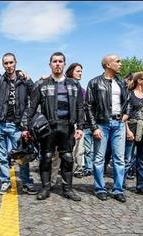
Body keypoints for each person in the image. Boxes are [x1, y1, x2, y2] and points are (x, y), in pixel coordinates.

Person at [26, 52, 84, 201]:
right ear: (50, 64)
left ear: (64, 64)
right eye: (54, 61)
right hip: (48, 128)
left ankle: (68, 189)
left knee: (68, 158)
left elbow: (79, 108)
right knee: (46, 157)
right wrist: (27, 128)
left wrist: (80, 127)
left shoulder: (74, 84)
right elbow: (32, 108)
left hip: (67, 127)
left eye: (60, 61)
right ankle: (45, 188)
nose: (57, 64)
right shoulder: (42, 85)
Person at [0, 52, 38, 195]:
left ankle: (27, 182)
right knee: (1, 157)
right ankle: (5, 181)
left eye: (11, 62)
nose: (9, 65)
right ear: (3, 64)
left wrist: (29, 79)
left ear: (15, 62)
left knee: (22, 156)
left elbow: (35, 94)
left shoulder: (23, 79)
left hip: (17, 125)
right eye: (6, 63)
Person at [85, 54, 129, 203]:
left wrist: (126, 115)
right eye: (118, 61)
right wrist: (94, 127)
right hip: (102, 124)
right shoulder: (94, 82)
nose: (120, 63)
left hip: (119, 124)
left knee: (119, 159)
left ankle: (118, 190)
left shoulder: (122, 82)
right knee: (98, 158)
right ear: (108, 65)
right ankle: (100, 188)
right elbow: (88, 106)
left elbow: (127, 101)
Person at [123, 72, 143, 197]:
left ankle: (142, 186)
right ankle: (119, 184)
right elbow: (125, 113)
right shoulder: (129, 95)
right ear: (139, 80)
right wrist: (127, 130)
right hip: (131, 127)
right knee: (127, 159)